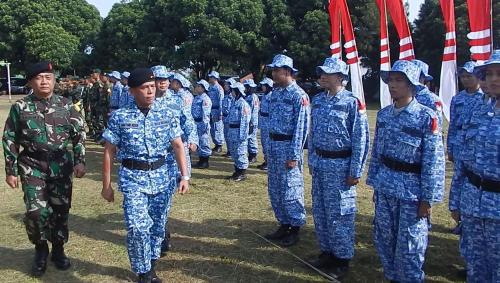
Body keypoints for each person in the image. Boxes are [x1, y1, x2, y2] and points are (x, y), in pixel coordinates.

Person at [101, 68, 190, 283]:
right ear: (132, 91)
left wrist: (184, 176)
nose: (150, 91)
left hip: (162, 177)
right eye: (144, 88)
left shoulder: (166, 112)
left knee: (157, 226)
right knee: (137, 227)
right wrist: (106, 185)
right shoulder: (121, 116)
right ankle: (143, 272)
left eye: (152, 87)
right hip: (133, 178)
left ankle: (151, 265)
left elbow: (178, 145)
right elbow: (109, 150)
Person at [2, 61, 86, 277]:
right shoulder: (20, 108)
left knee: (60, 211)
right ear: (31, 82)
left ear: (54, 80)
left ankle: (58, 249)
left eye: (48, 77)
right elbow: (10, 138)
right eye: (39, 77)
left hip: (60, 165)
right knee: (36, 211)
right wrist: (10, 170)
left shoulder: (67, 106)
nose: (44, 81)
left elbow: (79, 136)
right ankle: (40, 249)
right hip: (32, 166)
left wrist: (80, 161)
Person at [366, 60, 445, 282]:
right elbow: (377, 152)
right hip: (386, 186)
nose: (392, 85)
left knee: (410, 244)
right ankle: (392, 277)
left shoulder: (426, 117)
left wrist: (427, 199)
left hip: (412, 192)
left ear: (412, 84)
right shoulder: (384, 115)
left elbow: (433, 161)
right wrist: (375, 184)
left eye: (399, 80)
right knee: (385, 238)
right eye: (390, 80)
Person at [307, 57, 369, 278]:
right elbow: (312, 133)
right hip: (321, 163)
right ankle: (327, 252)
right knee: (321, 211)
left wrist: (355, 171)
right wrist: (312, 159)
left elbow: (360, 139)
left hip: (341, 166)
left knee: (340, 214)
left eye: (328, 73)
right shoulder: (318, 101)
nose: (322, 76)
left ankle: (342, 259)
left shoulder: (352, 102)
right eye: (321, 72)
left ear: (341, 77)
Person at [457, 50, 500, 282]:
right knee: (476, 267)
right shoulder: (478, 112)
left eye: (499, 74)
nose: (493, 79)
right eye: (489, 73)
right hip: (473, 202)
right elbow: (464, 160)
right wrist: (456, 200)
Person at [264, 54, 310, 247]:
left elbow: (301, 128)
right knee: (275, 188)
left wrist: (294, 155)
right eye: (272, 70)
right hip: (274, 146)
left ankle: (295, 227)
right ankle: (283, 223)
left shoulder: (298, 96)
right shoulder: (276, 94)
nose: (273, 73)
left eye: (276, 70)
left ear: (288, 72)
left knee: (291, 189)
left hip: (287, 147)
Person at [226, 82, 251, 181]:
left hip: (239, 132)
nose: (231, 92)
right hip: (232, 131)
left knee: (240, 152)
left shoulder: (243, 104)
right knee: (234, 151)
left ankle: (242, 173)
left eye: (233, 90)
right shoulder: (234, 102)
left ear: (237, 92)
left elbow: (245, 121)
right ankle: (237, 171)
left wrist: (243, 136)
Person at [412, 59, 444, 130]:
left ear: (424, 77)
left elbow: (436, 128)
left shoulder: (432, 99)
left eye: (418, 75)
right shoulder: (403, 97)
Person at [192, 80, 212, 168]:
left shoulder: (205, 99)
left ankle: (205, 161)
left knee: (204, 142)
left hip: (202, 123)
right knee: (199, 142)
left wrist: (205, 126)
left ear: (204, 88)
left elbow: (206, 114)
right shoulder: (197, 97)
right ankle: (201, 160)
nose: (196, 87)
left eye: (199, 86)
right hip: (196, 122)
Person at [257, 78, 273, 170]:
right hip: (263, 122)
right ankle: (266, 160)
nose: (262, 87)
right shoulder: (265, 95)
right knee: (263, 142)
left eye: (264, 85)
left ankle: (269, 163)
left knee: (267, 143)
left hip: (268, 123)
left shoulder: (271, 96)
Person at [243, 79, 260, 164]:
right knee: (248, 138)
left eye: (245, 87)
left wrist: (251, 122)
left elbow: (253, 110)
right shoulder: (246, 96)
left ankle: (253, 155)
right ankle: (250, 154)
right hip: (247, 120)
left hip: (252, 121)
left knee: (252, 138)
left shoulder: (253, 97)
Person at [208, 71, 225, 153]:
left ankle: (219, 145)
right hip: (211, 110)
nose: (209, 78)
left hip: (217, 110)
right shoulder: (210, 87)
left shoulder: (219, 88)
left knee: (217, 128)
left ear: (214, 78)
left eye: (211, 77)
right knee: (212, 129)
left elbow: (221, 101)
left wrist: (221, 113)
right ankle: (216, 144)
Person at [222, 78, 236, 157]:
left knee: (229, 136)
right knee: (226, 135)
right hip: (225, 118)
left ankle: (231, 151)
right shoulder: (226, 95)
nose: (225, 86)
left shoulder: (232, 96)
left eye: (227, 84)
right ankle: (229, 150)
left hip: (229, 118)